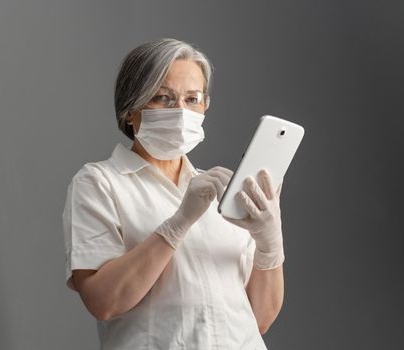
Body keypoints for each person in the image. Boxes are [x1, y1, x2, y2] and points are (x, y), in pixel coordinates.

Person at [62, 38, 285, 349]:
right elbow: (103, 302)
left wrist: (269, 242)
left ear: (206, 104)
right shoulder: (100, 183)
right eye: (163, 98)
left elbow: (259, 319)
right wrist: (178, 223)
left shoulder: (221, 191)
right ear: (130, 110)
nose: (181, 112)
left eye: (192, 99)